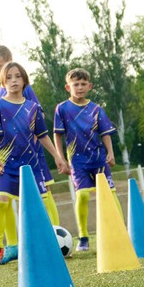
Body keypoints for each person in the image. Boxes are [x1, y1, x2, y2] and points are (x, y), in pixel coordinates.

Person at [0, 61, 69, 265]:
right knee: (1, 202)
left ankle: (49, 242)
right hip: (7, 164)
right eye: (9, 77)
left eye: (17, 76)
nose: (13, 81)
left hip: (31, 166)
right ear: (3, 81)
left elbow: (42, 135)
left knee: (38, 205)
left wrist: (57, 156)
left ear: (24, 80)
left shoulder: (33, 107)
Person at [0, 44, 63, 228]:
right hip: (8, 157)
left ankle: (56, 233)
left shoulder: (24, 88)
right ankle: (11, 244)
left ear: (10, 62)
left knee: (44, 191)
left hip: (32, 154)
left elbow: (38, 118)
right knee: (5, 197)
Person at [52, 67, 118, 252]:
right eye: (76, 84)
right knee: (82, 194)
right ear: (68, 87)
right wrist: (60, 158)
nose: (79, 87)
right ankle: (83, 237)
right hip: (77, 161)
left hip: (98, 159)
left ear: (90, 86)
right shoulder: (62, 109)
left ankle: (119, 230)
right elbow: (57, 135)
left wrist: (110, 152)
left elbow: (105, 133)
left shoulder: (96, 109)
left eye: (83, 84)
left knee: (110, 194)